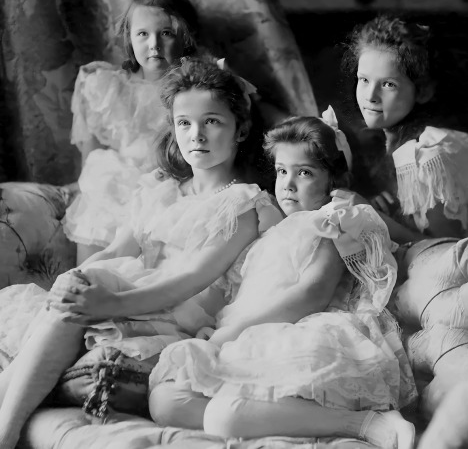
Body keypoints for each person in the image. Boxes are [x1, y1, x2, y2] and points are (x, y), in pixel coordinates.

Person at [0, 58, 282, 449]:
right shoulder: (160, 188)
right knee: (80, 282)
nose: (196, 135)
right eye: (184, 123)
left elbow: (188, 282)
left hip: (178, 312)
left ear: (241, 129)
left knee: (93, 284)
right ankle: (5, 426)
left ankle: (6, 432)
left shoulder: (244, 205)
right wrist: (74, 277)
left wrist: (111, 303)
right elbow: (118, 249)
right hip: (133, 293)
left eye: (212, 121)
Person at [147, 114, 417, 449]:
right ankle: (272, 418)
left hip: (301, 331)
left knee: (224, 416)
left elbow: (312, 293)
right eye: (281, 171)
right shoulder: (269, 234)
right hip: (250, 336)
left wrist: (233, 331)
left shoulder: (330, 222)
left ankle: (365, 424)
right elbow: (247, 295)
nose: (288, 183)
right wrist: (219, 328)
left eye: (304, 172)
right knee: (165, 400)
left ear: (332, 180)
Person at [63, 0, 205, 264]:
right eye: (142, 34)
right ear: (129, 37)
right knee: (92, 268)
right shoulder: (104, 85)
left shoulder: (198, 90)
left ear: (185, 36)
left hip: (170, 191)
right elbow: (89, 158)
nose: (153, 45)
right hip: (112, 191)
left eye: (165, 33)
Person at [343, 14, 468, 239]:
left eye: (388, 84)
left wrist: (372, 217)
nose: (370, 96)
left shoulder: (430, 155)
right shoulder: (376, 144)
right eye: (364, 80)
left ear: (424, 91)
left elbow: (446, 253)